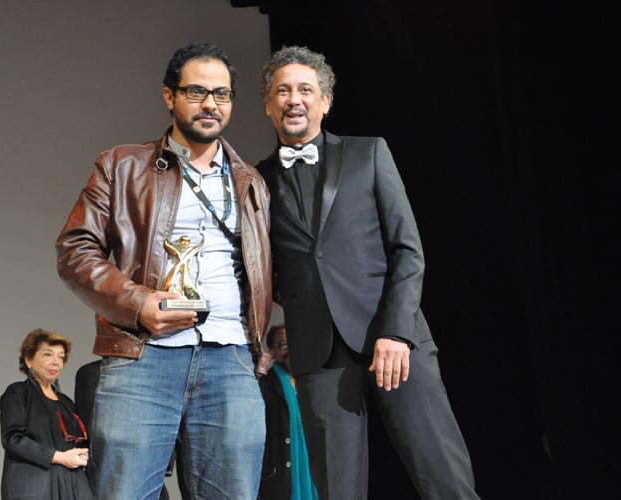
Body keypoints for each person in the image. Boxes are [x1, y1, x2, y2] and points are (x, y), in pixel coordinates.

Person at [256, 46, 481, 500]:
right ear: (268, 105)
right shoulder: (256, 180)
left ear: (325, 101)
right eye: (283, 91)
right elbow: (266, 271)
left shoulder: (369, 153)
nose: (294, 99)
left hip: (395, 338)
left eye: (305, 89)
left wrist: (396, 332)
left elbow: (408, 250)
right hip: (319, 355)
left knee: (445, 482)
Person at [56, 42, 272, 500]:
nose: (211, 104)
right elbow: (75, 250)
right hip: (143, 356)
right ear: (169, 96)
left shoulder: (251, 182)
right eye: (196, 91)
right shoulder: (121, 165)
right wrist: (138, 304)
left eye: (222, 94)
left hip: (231, 360)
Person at [0, 328, 93, 500]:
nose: (56, 362)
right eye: (48, 355)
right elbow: (12, 439)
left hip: (73, 486)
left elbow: (79, 441)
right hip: (34, 486)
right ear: (28, 360)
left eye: (61, 357)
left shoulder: (67, 403)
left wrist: (84, 454)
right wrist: (59, 457)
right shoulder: (18, 392)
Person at [73, 360, 183, 500]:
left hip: (150, 465)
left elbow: (169, 418)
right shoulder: (92, 372)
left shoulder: (152, 373)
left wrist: (165, 459)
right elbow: (90, 421)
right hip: (113, 466)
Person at [259, 324, 318, 500]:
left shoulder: (315, 382)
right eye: (284, 345)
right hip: (279, 474)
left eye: (295, 343)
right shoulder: (264, 385)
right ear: (272, 351)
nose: (291, 349)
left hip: (315, 470)